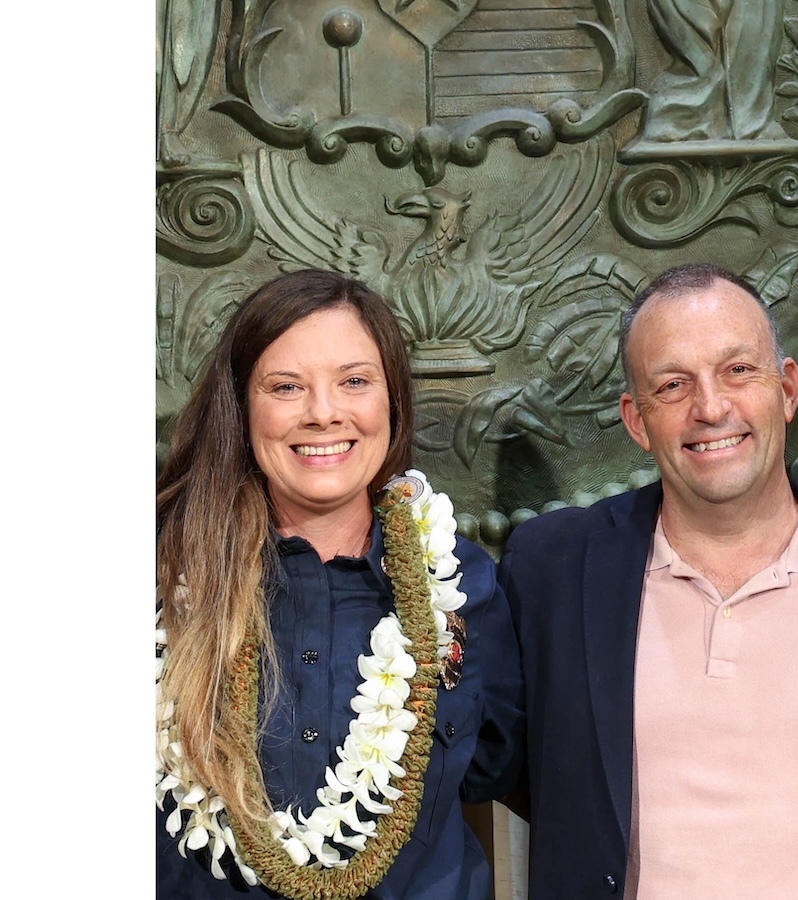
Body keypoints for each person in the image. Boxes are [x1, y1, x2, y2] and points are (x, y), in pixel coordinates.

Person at [498, 263, 798, 898]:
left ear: (787, 389)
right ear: (635, 420)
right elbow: (521, 770)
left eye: (738, 370)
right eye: (673, 385)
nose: (710, 408)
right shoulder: (553, 570)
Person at [155, 268, 524, 899]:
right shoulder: (162, 579)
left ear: (392, 401)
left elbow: (495, 768)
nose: (324, 413)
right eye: (286, 386)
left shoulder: (465, 584)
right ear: (243, 408)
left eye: (354, 381)